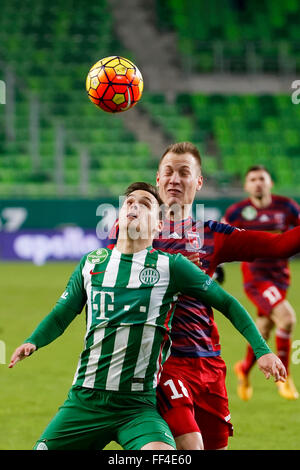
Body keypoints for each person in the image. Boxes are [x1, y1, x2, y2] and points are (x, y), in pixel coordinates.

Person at [9, 182, 285, 451]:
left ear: (159, 225)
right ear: (119, 216)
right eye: (130, 202)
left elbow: (227, 303)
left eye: (145, 204)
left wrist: (262, 350)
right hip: (85, 401)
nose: (134, 206)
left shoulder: (171, 266)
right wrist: (33, 341)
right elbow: (62, 314)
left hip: (138, 407)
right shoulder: (92, 263)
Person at [109, 142, 300, 450]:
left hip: (209, 363)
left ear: (198, 181)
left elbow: (278, 246)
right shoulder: (131, 229)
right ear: (157, 178)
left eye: (184, 172)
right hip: (163, 363)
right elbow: (108, 278)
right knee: (188, 447)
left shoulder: (211, 235)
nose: (174, 179)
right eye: (168, 171)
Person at [223, 165, 300, 401]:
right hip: (256, 277)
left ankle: (244, 370)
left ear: (270, 183)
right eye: (253, 179)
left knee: (264, 330)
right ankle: (284, 378)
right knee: (286, 319)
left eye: (262, 179)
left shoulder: (286, 207)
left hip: (280, 276)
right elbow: (220, 238)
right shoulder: (237, 212)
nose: (258, 183)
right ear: (247, 186)